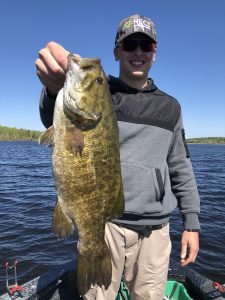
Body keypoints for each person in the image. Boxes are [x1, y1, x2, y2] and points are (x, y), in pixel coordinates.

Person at [36, 14, 200, 300]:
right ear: (117, 52)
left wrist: (191, 224)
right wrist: (53, 88)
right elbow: (55, 117)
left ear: (154, 54)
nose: (137, 51)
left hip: (155, 231)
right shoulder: (103, 95)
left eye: (145, 46)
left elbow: (180, 165)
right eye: (129, 44)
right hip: (105, 224)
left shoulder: (171, 108)